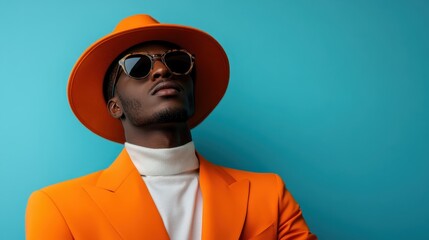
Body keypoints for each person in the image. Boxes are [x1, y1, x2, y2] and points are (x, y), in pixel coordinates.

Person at [26, 14, 317, 240]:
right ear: (115, 106)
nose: (162, 70)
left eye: (177, 63)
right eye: (138, 66)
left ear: (191, 91)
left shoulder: (268, 193)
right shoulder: (58, 206)